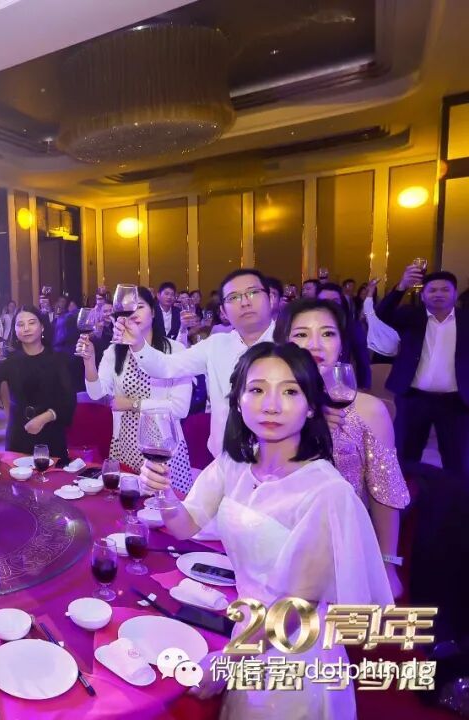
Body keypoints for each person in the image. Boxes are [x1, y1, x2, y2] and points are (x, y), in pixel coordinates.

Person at [141, 342, 391, 718]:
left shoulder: (326, 491)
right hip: (246, 630)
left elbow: (298, 606)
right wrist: (162, 492)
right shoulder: (234, 465)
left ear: (311, 406)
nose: (271, 405)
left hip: (295, 653)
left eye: (290, 391)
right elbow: (183, 525)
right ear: (238, 401)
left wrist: (229, 660)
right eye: (257, 389)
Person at [276, 298, 410, 597]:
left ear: (341, 344)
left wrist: (387, 565)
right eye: (301, 334)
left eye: (327, 333)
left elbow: (385, 492)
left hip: (341, 549)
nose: (315, 344)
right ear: (283, 344)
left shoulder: (368, 411)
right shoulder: (268, 407)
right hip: (273, 538)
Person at [120, 269, 277, 458]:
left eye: (253, 292)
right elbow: (166, 366)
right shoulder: (216, 344)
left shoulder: (293, 344)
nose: (244, 302)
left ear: (271, 299)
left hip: (283, 467)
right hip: (225, 462)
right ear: (223, 311)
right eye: (234, 297)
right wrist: (137, 342)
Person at [78, 288, 193, 494]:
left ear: (153, 312)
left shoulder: (175, 350)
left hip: (162, 447)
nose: (133, 313)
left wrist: (132, 404)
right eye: (127, 309)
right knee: (128, 503)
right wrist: (89, 361)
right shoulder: (115, 351)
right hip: (125, 443)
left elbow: (180, 408)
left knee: (164, 505)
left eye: (139, 306)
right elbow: (97, 393)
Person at [376, 265, 469, 474]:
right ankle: (407, 493)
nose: (438, 294)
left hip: (456, 402)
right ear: (423, 295)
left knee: (456, 460)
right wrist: (401, 286)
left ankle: (454, 495)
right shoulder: (412, 317)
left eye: (445, 289)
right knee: (406, 455)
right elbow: (382, 314)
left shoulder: (466, 321)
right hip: (414, 398)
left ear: (455, 294)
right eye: (432, 290)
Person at [0, 306, 75, 457]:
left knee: (53, 471)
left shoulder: (58, 359)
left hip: (51, 430)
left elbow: (69, 401)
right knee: (17, 469)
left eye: (32, 323)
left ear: (42, 326)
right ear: (15, 330)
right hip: (19, 431)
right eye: (20, 324)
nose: (26, 328)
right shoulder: (10, 360)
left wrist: (44, 418)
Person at [316, 282, 372, 389]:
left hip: (340, 385)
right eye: (324, 301)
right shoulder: (307, 326)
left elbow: (363, 362)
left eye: (335, 301)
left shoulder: (352, 327)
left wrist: (364, 388)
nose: (330, 305)